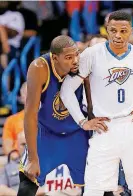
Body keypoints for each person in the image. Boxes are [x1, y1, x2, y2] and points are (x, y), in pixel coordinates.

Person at [60, 10, 133, 196]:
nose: (118, 35)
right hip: (104, 128)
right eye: (113, 30)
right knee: (94, 189)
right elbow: (66, 90)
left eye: (123, 31)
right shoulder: (92, 54)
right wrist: (83, 122)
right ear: (107, 30)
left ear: (131, 31)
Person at [17, 35, 111, 196]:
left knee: (102, 183)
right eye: (68, 57)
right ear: (55, 58)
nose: (75, 60)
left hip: (77, 132)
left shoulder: (83, 64)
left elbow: (91, 106)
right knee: (28, 178)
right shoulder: (40, 67)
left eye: (77, 54)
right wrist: (33, 159)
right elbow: (30, 113)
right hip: (47, 132)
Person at [2, 82, 27, 156]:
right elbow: (7, 145)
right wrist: (16, 157)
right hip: (19, 160)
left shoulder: (50, 119)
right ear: (22, 97)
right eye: (28, 94)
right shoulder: (12, 120)